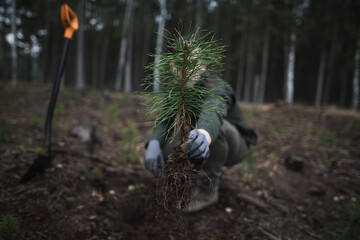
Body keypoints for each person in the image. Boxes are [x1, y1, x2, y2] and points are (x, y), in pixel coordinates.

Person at [144, 53, 257, 213]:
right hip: (197, 137)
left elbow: (213, 113)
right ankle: (182, 183)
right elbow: (165, 120)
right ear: (172, 66)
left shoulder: (216, 85)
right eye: (179, 64)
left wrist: (204, 132)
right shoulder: (177, 90)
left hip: (234, 146)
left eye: (192, 63)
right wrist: (154, 141)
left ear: (203, 66)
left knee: (220, 129)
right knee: (166, 150)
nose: (186, 69)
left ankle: (207, 192)